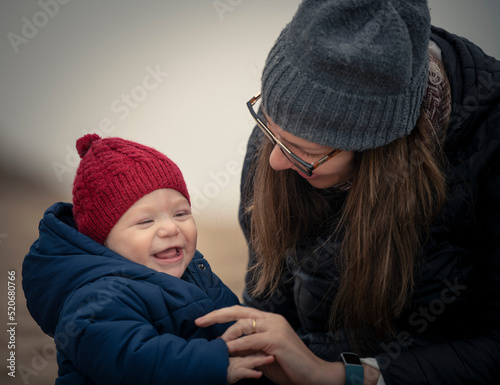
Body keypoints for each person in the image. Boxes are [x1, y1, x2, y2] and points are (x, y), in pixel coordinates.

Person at [196, 0, 500, 384]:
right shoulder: (281, 143)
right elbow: (270, 304)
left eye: (306, 151)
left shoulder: (490, 140)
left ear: (380, 148)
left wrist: (341, 376)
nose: (274, 160)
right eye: (268, 125)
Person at [22, 134, 273, 385]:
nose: (170, 229)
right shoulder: (96, 299)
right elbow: (133, 361)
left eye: (181, 213)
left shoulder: (197, 273)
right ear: (102, 240)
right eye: (146, 221)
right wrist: (215, 363)